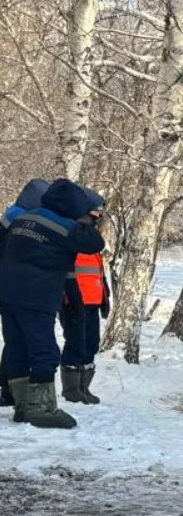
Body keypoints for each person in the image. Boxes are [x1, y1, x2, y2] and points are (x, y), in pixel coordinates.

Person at [0, 178, 104, 429]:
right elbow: (95, 243)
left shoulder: (23, 219)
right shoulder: (66, 228)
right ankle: (42, 409)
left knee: (16, 346)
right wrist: (89, 220)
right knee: (45, 351)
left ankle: (22, 405)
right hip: (37, 296)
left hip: (7, 294)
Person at [0, 179, 51, 407]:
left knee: (13, 342)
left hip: (7, 286)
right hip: (16, 288)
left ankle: (9, 390)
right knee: (19, 342)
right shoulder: (22, 220)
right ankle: (11, 391)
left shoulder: (11, 215)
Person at [60, 189, 109, 405]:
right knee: (75, 343)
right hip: (74, 300)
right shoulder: (74, 235)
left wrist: (104, 298)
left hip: (92, 301)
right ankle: (71, 390)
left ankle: (84, 387)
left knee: (91, 344)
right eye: (95, 215)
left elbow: (98, 273)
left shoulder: (91, 239)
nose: (97, 220)